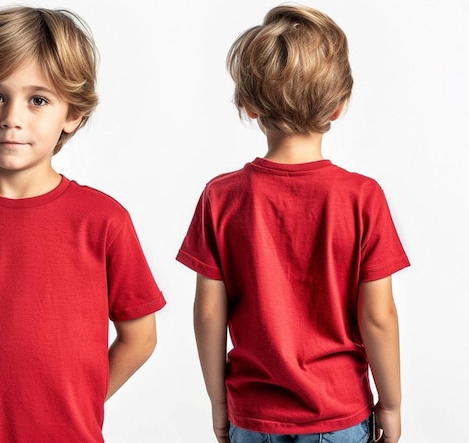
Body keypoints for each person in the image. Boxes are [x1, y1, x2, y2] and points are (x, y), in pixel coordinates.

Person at [0, 7, 165, 443]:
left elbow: (140, 337)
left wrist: (79, 403)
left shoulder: (103, 222)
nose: (11, 118)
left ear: (72, 114)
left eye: (38, 100)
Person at [176, 5, 409, 443]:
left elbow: (208, 313)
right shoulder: (361, 198)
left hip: (253, 415)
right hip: (338, 413)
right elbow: (378, 316)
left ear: (246, 104)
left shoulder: (221, 197)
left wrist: (219, 403)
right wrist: (391, 403)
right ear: (340, 105)